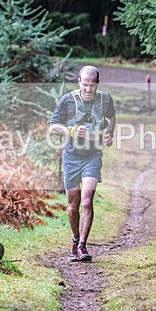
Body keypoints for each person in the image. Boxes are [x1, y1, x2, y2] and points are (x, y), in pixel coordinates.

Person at [49, 65, 116, 262]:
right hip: (71, 157)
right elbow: (53, 127)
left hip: (92, 156)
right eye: (85, 85)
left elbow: (111, 117)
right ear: (79, 82)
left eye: (92, 85)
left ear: (97, 83)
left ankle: (82, 246)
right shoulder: (68, 100)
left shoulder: (105, 99)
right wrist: (70, 131)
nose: (88, 89)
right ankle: (74, 239)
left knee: (87, 201)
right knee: (73, 206)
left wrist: (110, 133)